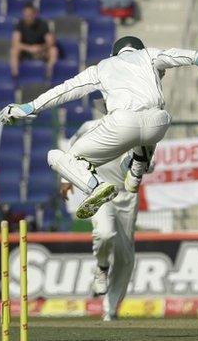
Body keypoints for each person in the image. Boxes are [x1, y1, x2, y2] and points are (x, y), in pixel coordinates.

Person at [0, 35, 198, 220]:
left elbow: (66, 90)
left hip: (123, 124)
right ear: (137, 49)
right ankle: (137, 169)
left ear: (115, 52)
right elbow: (174, 56)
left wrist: (30, 107)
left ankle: (95, 186)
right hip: (159, 122)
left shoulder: (103, 66)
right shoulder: (149, 55)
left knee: (58, 157)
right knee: (146, 128)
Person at [60, 120, 143, 322]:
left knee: (125, 257)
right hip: (100, 191)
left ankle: (110, 309)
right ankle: (102, 266)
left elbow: (147, 163)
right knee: (105, 233)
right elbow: (71, 151)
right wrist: (66, 180)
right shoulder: (89, 127)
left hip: (127, 196)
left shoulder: (140, 131)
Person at [10, 2, 59, 78]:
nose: (27, 17)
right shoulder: (20, 24)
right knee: (14, 50)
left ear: (34, 14)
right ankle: (16, 76)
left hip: (41, 51)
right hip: (26, 51)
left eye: (29, 14)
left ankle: (49, 74)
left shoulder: (43, 24)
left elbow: (51, 42)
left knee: (54, 50)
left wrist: (40, 47)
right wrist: (30, 48)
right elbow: (15, 43)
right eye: (25, 14)